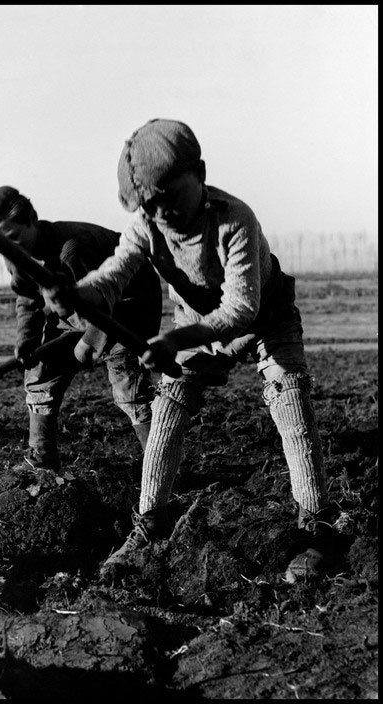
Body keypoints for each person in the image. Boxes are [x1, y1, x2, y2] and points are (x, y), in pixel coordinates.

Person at [43, 118, 345, 583]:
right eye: (152, 207)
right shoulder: (146, 225)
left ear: (199, 173)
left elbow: (242, 307)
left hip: (267, 318)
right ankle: (149, 526)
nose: (165, 216)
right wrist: (76, 294)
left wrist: (176, 340)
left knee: (291, 408)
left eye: (171, 199)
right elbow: (113, 275)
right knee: (167, 414)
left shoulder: (233, 219)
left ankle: (317, 528)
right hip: (195, 328)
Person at [0, 185, 163, 473]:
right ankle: (42, 460)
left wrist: (90, 341)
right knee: (40, 371)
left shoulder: (72, 249)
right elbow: (28, 299)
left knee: (129, 384)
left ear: (32, 218)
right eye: (1, 244)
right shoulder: (15, 256)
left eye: (13, 238)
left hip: (128, 305)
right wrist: (26, 341)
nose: (9, 249)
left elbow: (102, 302)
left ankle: (161, 467)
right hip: (74, 311)